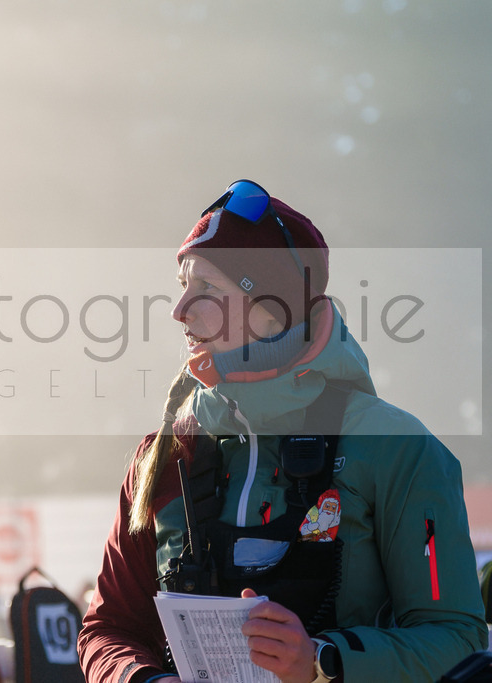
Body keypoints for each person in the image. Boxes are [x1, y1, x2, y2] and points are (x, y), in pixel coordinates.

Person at [77, 180, 488, 682]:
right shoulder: (164, 453)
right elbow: (108, 628)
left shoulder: (396, 448)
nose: (179, 310)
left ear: (271, 309)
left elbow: (456, 639)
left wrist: (320, 660)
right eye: (181, 285)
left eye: (206, 289)